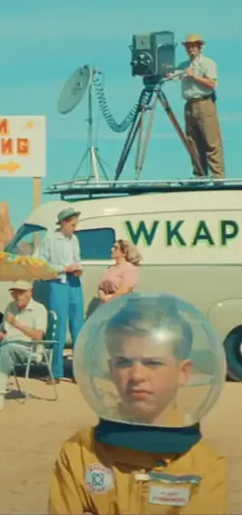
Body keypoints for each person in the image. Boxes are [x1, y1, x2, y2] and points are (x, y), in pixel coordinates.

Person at [48, 294, 228, 514]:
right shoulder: (81, 454)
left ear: (183, 372)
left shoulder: (204, 466)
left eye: (153, 363)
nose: (136, 375)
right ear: (111, 369)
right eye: (124, 362)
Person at [166, 34, 223, 179]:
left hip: (205, 103)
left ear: (199, 47)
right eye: (188, 47)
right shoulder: (184, 65)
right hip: (189, 105)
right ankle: (199, 175)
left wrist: (194, 76)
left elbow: (212, 83)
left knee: (211, 141)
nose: (190, 49)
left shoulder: (208, 63)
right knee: (193, 141)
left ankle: (218, 177)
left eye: (193, 46)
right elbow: (171, 76)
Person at [37, 207, 84, 383]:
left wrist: (78, 268)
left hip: (74, 283)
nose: (75, 228)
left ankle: (79, 372)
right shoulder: (49, 239)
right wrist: (64, 268)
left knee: (78, 326)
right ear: (63, 223)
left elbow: (77, 259)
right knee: (58, 327)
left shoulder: (74, 239)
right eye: (72, 225)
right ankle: (55, 372)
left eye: (76, 225)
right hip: (58, 283)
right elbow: (41, 265)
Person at [98, 239, 142, 304]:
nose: (112, 250)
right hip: (107, 304)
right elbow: (101, 287)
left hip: (122, 304)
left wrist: (111, 298)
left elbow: (125, 290)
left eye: (115, 248)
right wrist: (104, 297)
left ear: (124, 253)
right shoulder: (110, 268)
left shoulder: (130, 268)